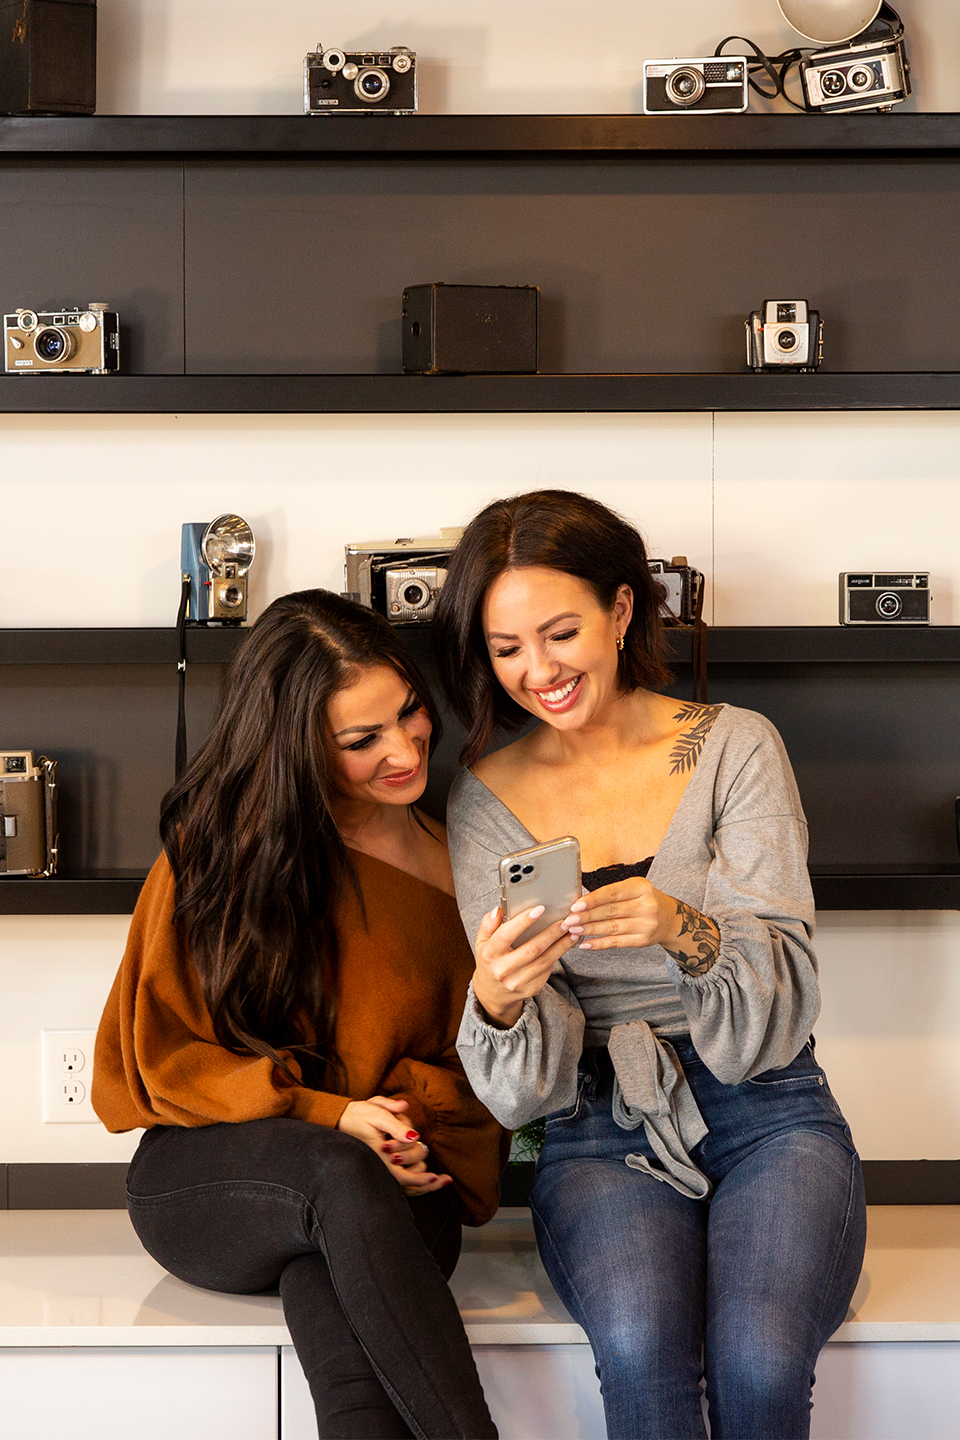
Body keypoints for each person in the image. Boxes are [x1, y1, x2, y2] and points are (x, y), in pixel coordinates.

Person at [432, 491, 866, 1440]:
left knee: (759, 1354)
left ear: (622, 611)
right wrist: (499, 1003)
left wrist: (685, 928)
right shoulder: (483, 799)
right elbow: (524, 1097)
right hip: (598, 1122)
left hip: (771, 1105)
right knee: (638, 1344)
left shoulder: (734, 747)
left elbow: (781, 995)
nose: (537, 671)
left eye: (560, 632)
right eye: (507, 649)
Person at [92, 588, 504, 1440]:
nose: (406, 747)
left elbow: (487, 1057)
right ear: (299, 749)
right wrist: (336, 1118)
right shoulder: (218, 854)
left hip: (401, 1178)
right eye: (362, 740)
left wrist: (403, 1123)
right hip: (218, 1181)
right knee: (334, 1173)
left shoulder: (464, 859)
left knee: (350, 1362)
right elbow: (160, 1060)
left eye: (410, 713)